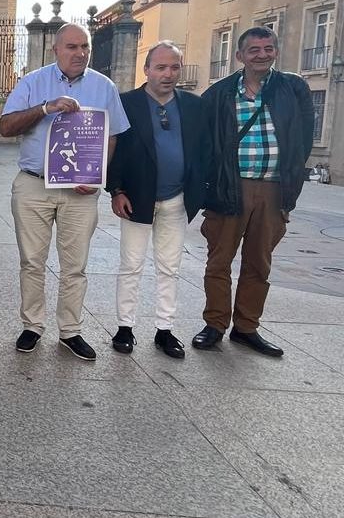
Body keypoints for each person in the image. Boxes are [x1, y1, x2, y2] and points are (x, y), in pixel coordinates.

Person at [0, 23, 129, 361]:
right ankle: (32, 326)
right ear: (55, 49)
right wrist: (46, 108)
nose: (80, 53)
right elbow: (6, 126)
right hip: (34, 185)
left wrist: (96, 175)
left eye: (84, 46)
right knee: (32, 261)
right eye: (71, 46)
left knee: (75, 265)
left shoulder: (104, 87)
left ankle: (70, 331)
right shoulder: (32, 82)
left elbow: (112, 136)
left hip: (80, 191)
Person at [192, 27, 314, 357]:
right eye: (254, 49)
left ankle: (246, 327)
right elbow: (203, 143)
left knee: (259, 263)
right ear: (240, 56)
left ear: (276, 51)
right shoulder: (218, 94)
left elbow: (303, 139)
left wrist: (291, 180)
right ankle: (215, 323)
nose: (262, 54)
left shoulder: (293, 89)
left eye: (268, 48)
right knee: (219, 260)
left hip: (274, 189)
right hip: (231, 186)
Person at [106, 41, 208, 359]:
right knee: (131, 265)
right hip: (137, 197)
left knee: (170, 267)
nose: (168, 74)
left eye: (174, 67)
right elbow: (114, 150)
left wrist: (201, 190)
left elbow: (203, 150)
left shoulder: (193, 105)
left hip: (177, 198)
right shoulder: (126, 104)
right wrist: (116, 190)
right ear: (146, 69)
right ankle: (125, 328)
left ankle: (165, 329)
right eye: (161, 67)